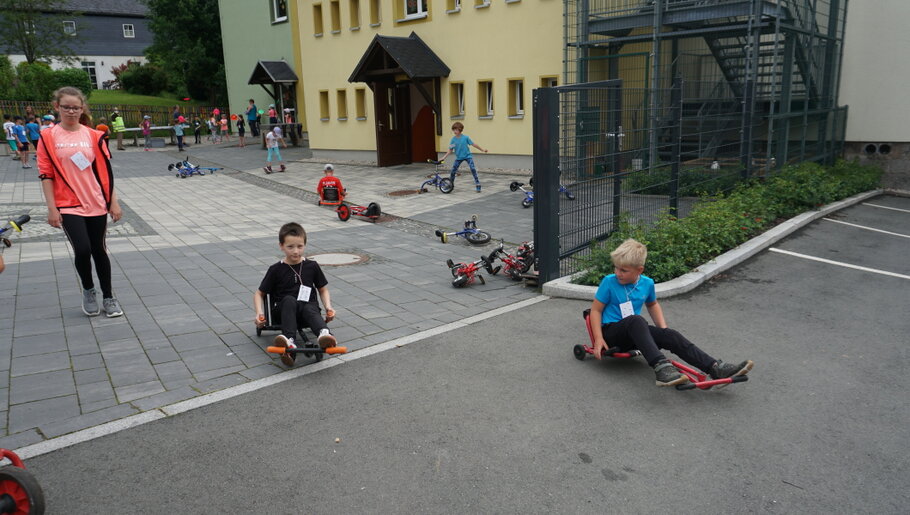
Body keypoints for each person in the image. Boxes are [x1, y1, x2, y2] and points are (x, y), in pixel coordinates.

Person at [588, 238, 753, 387]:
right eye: (616, 268)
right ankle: (661, 367)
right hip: (612, 334)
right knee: (636, 320)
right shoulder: (609, 282)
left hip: (634, 332)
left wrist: (663, 330)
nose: (618, 273)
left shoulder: (647, 284)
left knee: (670, 335)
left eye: (624, 270)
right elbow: (595, 310)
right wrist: (599, 338)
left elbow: (652, 304)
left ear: (639, 270)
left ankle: (714, 367)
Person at [36, 86, 124, 318]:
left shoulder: (93, 136)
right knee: (82, 249)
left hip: (96, 201)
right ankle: (88, 290)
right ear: (57, 107)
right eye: (66, 107)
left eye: (76, 107)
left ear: (82, 108)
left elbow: (105, 173)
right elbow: (46, 174)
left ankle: (108, 296)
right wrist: (52, 208)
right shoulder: (47, 137)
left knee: (99, 249)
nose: (71, 111)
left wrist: (113, 202)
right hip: (68, 203)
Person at [253, 222, 337, 366]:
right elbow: (259, 294)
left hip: (307, 315)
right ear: (281, 246)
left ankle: (324, 334)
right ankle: (289, 340)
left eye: (300, 246)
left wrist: (329, 307)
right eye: (290, 247)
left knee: (309, 306)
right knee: (289, 300)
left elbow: (323, 289)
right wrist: (259, 314)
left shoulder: (312, 266)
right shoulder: (276, 269)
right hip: (284, 314)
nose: (296, 251)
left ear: (305, 245)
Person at [439, 121, 488, 193]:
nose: (454, 131)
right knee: (453, 171)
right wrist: (443, 157)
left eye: (456, 130)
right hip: (459, 158)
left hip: (468, 156)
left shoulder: (465, 138)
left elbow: (474, 144)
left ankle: (478, 184)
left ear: (460, 130)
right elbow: (450, 150)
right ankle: (450, 185)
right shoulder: (453, 140)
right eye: (454, 130)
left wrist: (482, 150)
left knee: (473, 169)